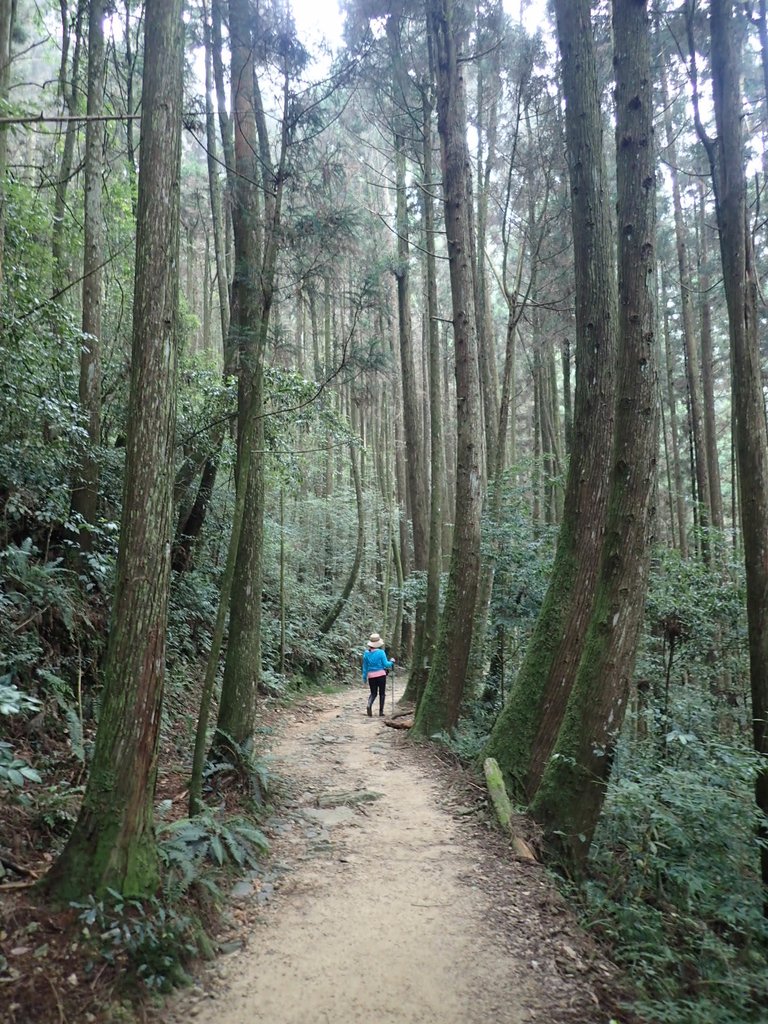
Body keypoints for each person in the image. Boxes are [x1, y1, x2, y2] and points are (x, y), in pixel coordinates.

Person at [361, 632, 395, 717]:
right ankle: (381, 712)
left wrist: (364, 679)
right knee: (382, 693)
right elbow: (386, 664)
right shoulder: (381, 652)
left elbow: (365, 668)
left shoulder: (366, 654)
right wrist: (392, 661)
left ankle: (369, 705)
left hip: (371, 676)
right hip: (381, 675)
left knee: (373, 693)